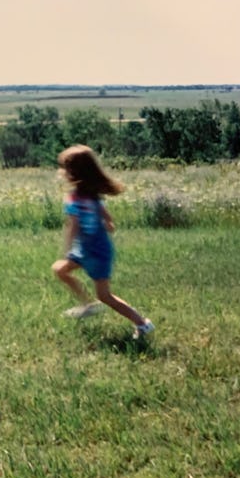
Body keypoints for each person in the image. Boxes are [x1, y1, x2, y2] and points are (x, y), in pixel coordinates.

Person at [51, 145, 154, 339]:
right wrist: (106, 225)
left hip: (95, 253)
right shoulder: (92, 196)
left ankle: (142, 324)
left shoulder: (75, 199)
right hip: (88, 250)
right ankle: (87, 305)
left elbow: (72, 227)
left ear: (74, 172)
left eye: (64, 168)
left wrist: (66, 248)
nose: (61, 172)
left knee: (105, 296)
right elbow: (109, 221)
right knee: (59, 270)